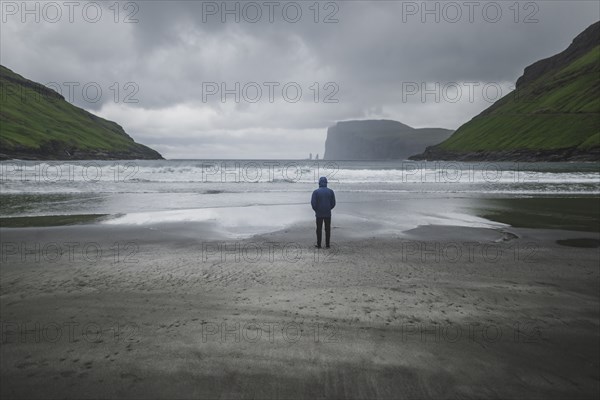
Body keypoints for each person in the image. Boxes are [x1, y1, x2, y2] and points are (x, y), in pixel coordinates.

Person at [311, 176, 336, 248]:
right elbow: (333, 203)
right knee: (327, 229)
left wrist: (317, 210)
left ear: (319, 183)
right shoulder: (331, 191)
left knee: (319, 229)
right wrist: (328, 208)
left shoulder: (316, 192)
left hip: (319, 214)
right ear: (326, 183)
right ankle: (327, 245)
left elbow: (313, 204)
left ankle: (319, 245)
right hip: (328, 213)